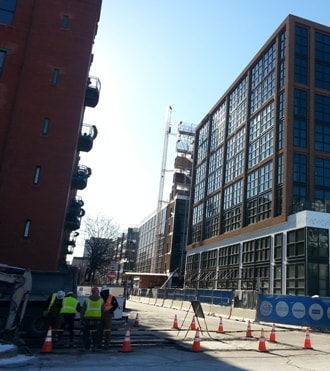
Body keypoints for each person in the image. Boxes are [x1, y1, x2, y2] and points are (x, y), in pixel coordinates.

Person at [80, 286, 104, 351]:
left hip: (87, 319)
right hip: (97, 319)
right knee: (95, 334)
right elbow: (103, 310)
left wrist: (81, 318)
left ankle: (86, 346)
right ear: (98, 292)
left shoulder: (87, 300)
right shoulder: (101, 300)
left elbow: (83, 310)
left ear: (92, 292)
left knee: (86, 333)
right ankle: (95, 346)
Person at [98, 285, 119, 349]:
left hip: (108, 314)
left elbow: (115, 305)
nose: (104, 293)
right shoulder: (100, 298)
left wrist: (110, 311)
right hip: (101, 314)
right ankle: (100, 343)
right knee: (100, 330)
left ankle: (106, 344)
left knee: (107, 330)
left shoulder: (111, 297)